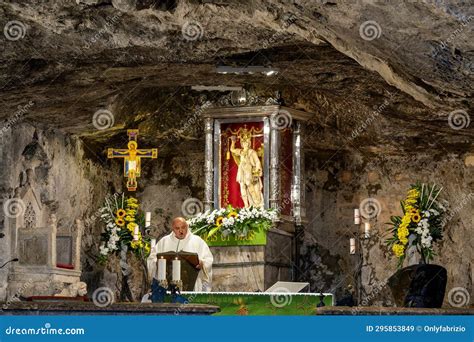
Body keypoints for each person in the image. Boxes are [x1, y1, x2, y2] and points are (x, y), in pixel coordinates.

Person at [147, 217, 213, 292]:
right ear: (173, 229)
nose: (181, 231)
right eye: (177, 228)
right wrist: (157, 264)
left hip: (192, 283)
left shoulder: (197, 241)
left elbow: (208, 259)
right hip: (167, 283)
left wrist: (202, 263)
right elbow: (151, 260)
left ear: (187, 227)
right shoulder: (164, 241)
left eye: (183, 227)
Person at [230, 129, 263, 208]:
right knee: (242, 186)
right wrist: (233, 142)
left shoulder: (252, 152)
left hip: (249, 170)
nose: (245, 144)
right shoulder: (240, 151)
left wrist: (257, 169)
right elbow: (232, 150)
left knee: (249, 185)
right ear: (242, 144)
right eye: (243, 143)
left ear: (249, 143)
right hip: (241, 170)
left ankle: (256, 203)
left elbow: (257, 162)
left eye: (247, 143)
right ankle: (246, 205)